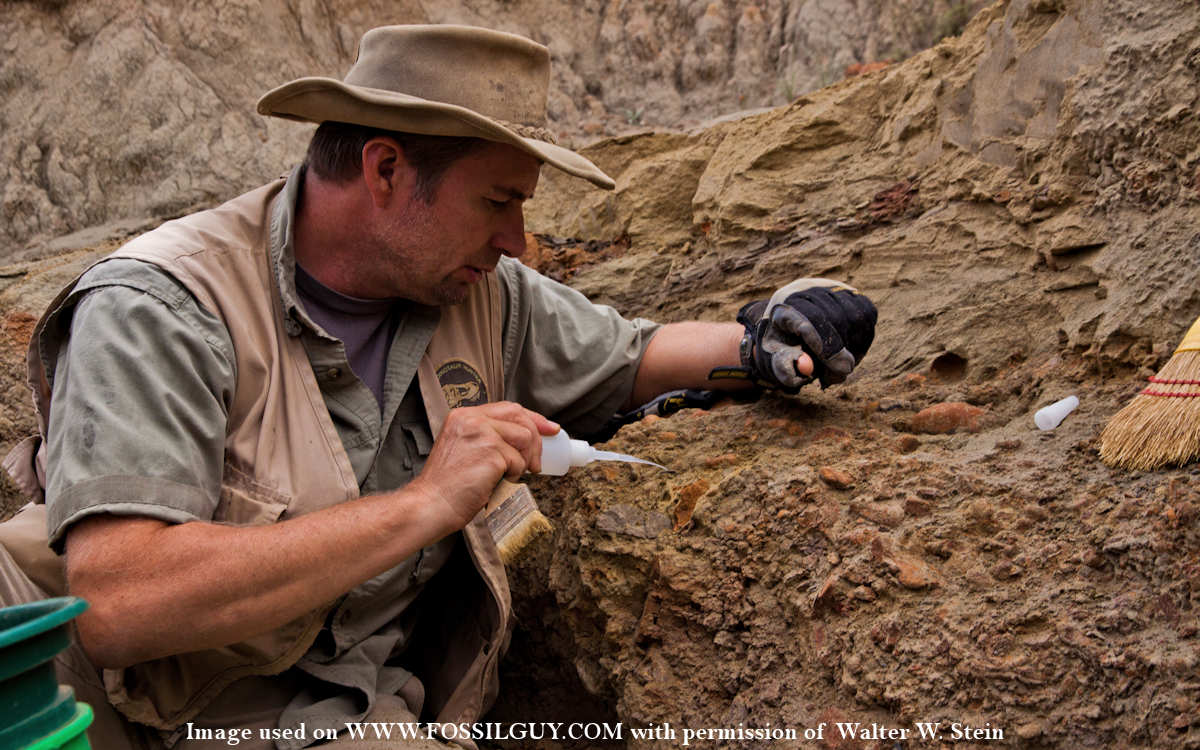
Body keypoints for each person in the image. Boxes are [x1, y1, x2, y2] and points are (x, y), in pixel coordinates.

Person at [0, 24, 876, 750]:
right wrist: (423, 505)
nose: (518, 240)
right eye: (498, 201)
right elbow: (121, 603)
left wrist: (768, 336)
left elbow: (636, 357)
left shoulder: (477, 294)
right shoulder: (163, 307)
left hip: (327, 713)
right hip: (89, 706)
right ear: (384, 173)